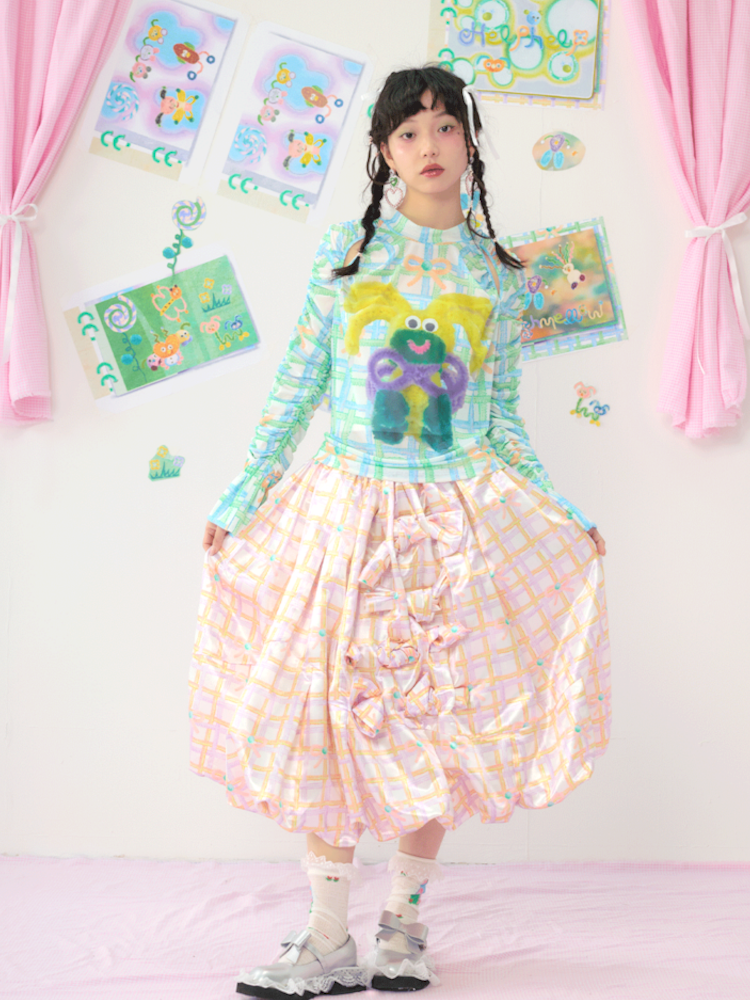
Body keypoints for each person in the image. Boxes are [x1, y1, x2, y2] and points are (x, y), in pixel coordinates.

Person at [190, 65, 611, 998]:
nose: (429, 146)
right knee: (330, 718)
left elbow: (502, 420)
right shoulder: (350, 254)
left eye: (445, 126)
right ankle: (325, 935)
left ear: (469, 142)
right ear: (384, 152)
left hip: (453, 521)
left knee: (437, 720)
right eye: (409, 132)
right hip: (347, 512)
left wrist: (563, 514)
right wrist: (243, 495)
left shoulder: (497, 275)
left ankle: (403, 927)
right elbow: (299, 383)